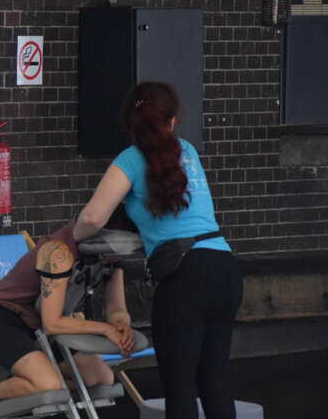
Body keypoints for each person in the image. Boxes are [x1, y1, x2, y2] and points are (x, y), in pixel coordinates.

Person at [73, 81, 242, 419]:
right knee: (214, 380)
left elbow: (92, 217)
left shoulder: (131, 160)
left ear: (132, 124)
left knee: (179, 388)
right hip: (225, 268)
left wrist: (72, 236)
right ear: (172, 120)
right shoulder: (189, 152)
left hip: (186, 279)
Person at [0, 218, 135, 411]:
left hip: (40, 327)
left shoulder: (111, 256)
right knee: (47, 384)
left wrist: (121, 325)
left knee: (100, 379)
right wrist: (106, 329)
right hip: (3, 318)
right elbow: (52, 323)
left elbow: (117, 309)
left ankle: (27, 382)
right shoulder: (58, 253)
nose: (116, 258)